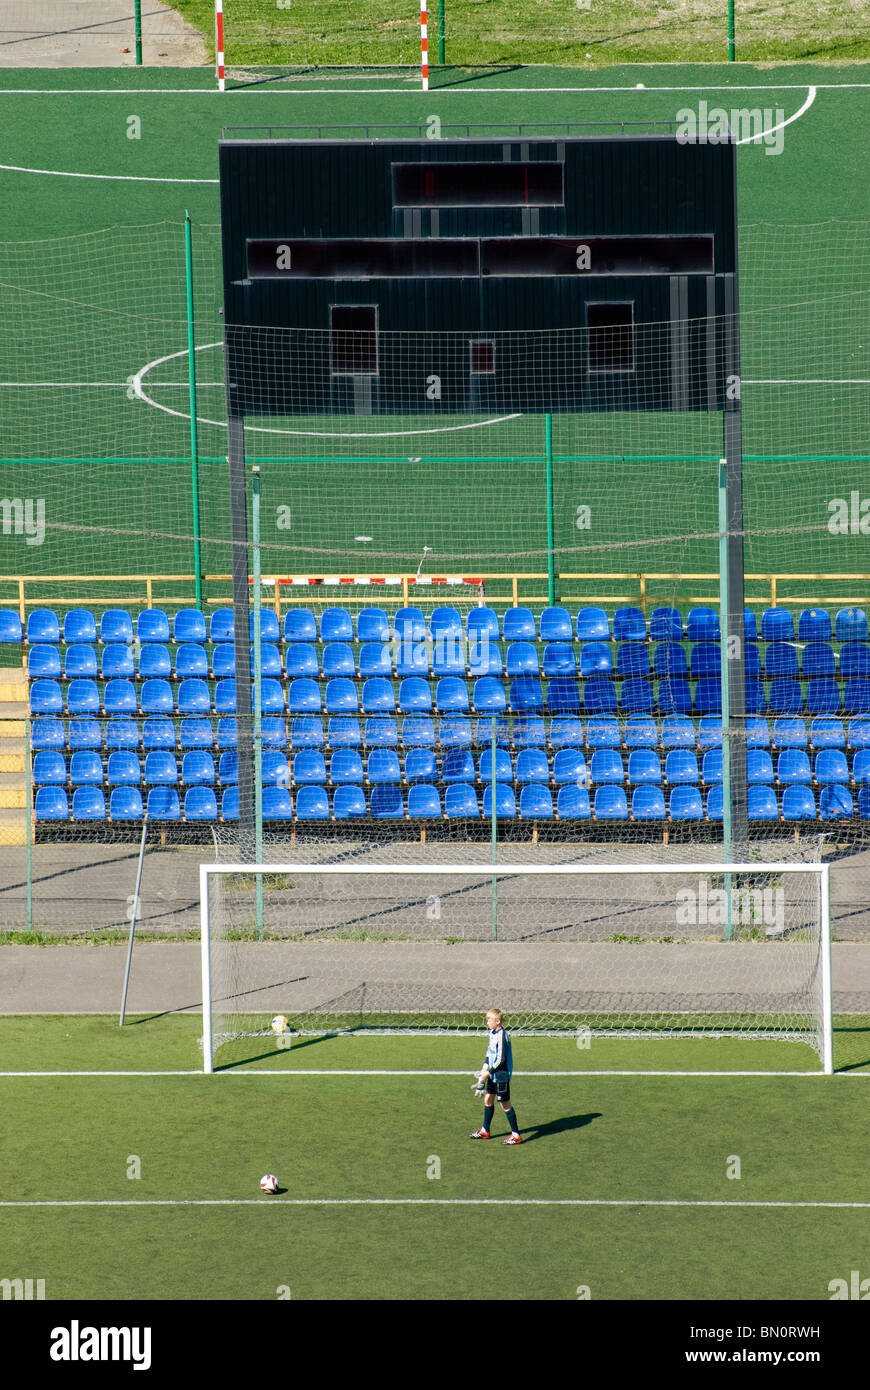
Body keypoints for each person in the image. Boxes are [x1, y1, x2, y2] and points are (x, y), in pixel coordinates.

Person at [469, 1007, 522, 1144]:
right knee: (487, 1100)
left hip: (501, 1075)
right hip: (493, 1074)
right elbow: (489, 1054)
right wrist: (483, 1071)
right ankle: (485, 1130)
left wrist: (488, 1073)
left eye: (489, 1020)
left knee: (505, 1104)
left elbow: (500, 1059)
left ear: (498, 1021)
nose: (487, 1023)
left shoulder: (502, 1035)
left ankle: (516, 1135)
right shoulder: (492, 1033)